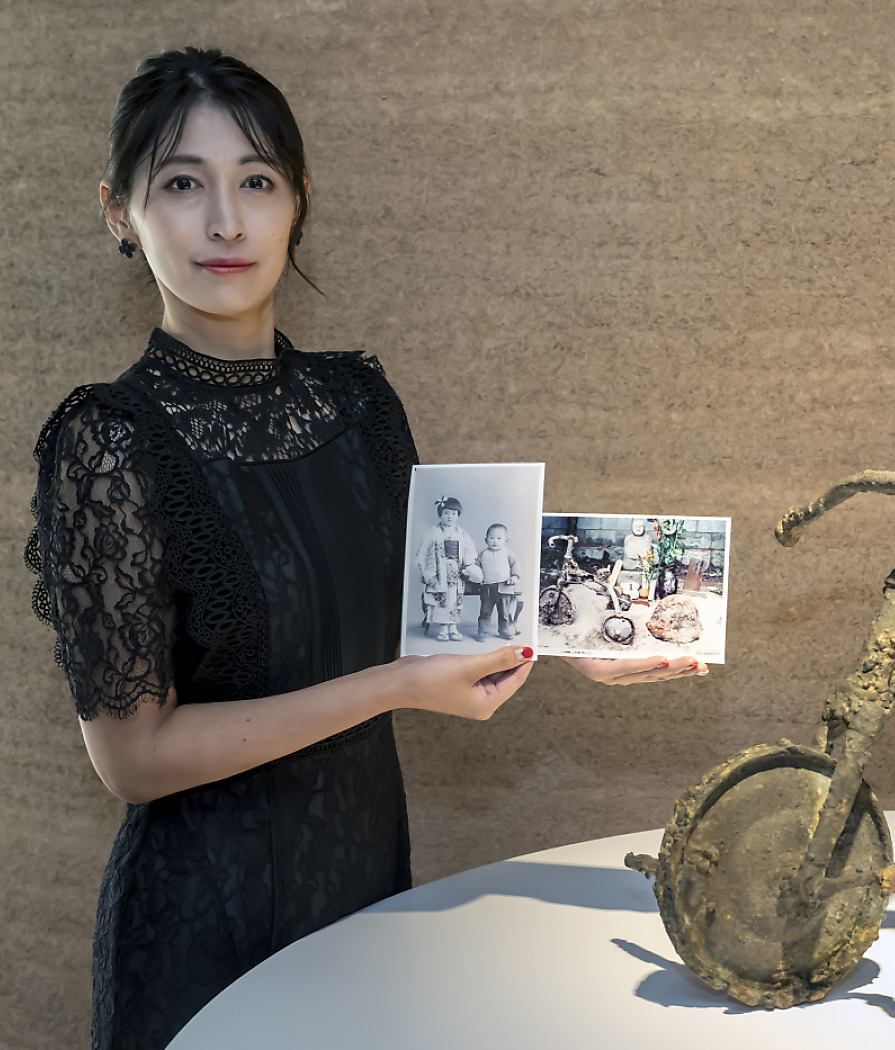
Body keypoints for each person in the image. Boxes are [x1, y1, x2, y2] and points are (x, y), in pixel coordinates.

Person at [26, 47, 707, 1050]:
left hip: (369, 909)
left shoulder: (357, 403)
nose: (225, 220)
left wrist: (580, 641)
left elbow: (443, 619)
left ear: (297, 201)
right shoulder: (106, 439)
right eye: (182, 184)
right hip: (198, 944)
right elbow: (135, 760)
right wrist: (393, 687)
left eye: (255, 181)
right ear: (118, 212)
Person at [414, 496, 481, 641]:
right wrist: (427, 572)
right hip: (439, 572)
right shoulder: (432, 532)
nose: (450, 517)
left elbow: (469, 552)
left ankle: (454, 627)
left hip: (456, 573)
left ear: (458, 515)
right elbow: (422, 553)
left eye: (453, 513)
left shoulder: (462, 534)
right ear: (440, 514)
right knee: (442, 601)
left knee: (455, 601)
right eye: (446, 513)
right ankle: (444, 628)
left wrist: (469, 567)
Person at [475, 523, 522, 640]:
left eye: (499, 538)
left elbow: (516, 565)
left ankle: (503, 629)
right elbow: (475, 567)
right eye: (492, 538)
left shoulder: (508, 553)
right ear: (486, 540)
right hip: (487, 587)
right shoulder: (483, 555)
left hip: (504, 586)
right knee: (485, 611)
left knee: (504, 612)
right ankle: (482, 631)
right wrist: (475, 575)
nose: (495, 541)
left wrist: (514, 576)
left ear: (506, 540)